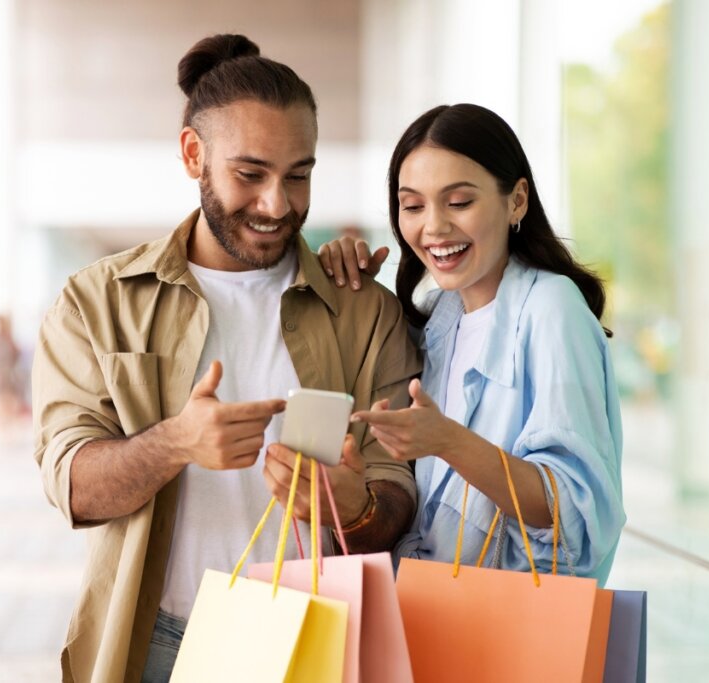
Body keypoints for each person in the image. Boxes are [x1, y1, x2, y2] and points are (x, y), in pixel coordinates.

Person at [32, 34, 420, 683]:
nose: (277, 204)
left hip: (316, 635)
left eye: (298, 175)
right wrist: (176, 443)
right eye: (250, 174)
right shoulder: (96, 302)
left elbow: (397, 495)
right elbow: (71, 486)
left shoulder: (362, 309)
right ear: (194, 155)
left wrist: (356, 505)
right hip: (158, 643)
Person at [318, 103, 625, 583]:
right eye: (413, 206)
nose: (434, 227)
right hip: (425, 608)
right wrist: (351, 281)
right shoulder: (438, 317)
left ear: (516, 201)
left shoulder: (552, 308)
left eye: (459, 202)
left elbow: (574, 517)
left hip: (510, 621)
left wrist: (448, 441)